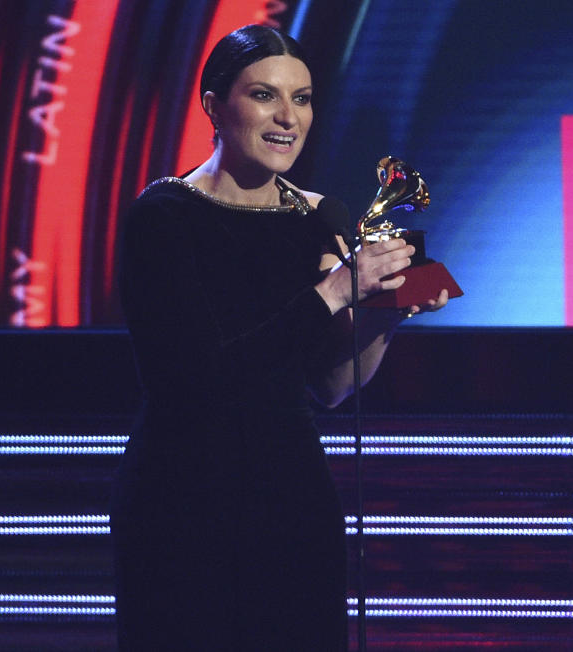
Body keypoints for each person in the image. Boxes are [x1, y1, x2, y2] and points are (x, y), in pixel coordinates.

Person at [110, 25, 447, 651]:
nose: (288, 118)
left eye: (304, 98)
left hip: (291, 501)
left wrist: (385, 314)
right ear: (213, 105)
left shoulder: (319, 218)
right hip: (182, 502)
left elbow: (330, 385)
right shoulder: (161, 217)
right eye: (265, 95)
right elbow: (195, 377)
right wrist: (336, 292)